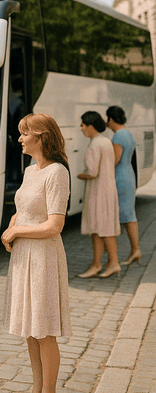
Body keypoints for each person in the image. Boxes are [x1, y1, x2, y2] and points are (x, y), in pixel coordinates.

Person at [1, 113, 72, 393]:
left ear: (41, 137)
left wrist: (17, 232)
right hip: (25, 255)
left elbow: (55, 225)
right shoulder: (31, 170)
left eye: (24, 133)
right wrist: (11, 226)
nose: (19, 138)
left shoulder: (57, 172)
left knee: (43, 329)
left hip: (43, 256)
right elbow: (22, 210)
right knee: (31, 328)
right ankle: (37, 392)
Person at [77, 111, 121, 279]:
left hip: (98, 191)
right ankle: (99, 264)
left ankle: (110, 263)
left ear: (90, 126)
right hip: (107, 189)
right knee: (101, 228)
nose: (81, 129)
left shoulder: (96, 144)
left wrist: (81, 175)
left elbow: (93, 171)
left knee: (102, 229)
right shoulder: (106, 141)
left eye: (83, 125)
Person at [106, 106, 142, 266]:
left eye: (107, 120)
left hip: (120, 176)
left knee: (120, 216)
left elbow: (115, 159)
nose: (107, 124)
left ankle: (115, 256)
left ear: (111, 119)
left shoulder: (118, 136)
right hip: (129, 174)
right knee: (129, 215)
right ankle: (135, 250)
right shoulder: (128, 133)